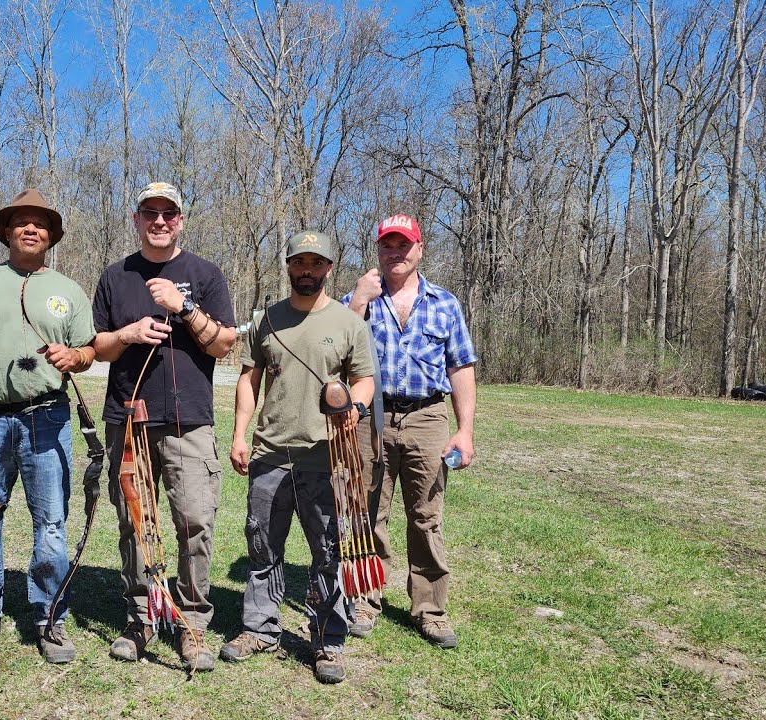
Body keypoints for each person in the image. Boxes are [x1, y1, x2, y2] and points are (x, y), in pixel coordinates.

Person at [0, 188, 96, 664]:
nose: (31, 229)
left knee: (51, 522)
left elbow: (88, 350)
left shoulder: (68, 290)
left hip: (48, 418)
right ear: (7, 231)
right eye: (22, 222)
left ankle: (50, 617)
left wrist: (76, 356)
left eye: (41, 223)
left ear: (51, 235)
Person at [91, 182, 237, 671]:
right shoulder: (116, 277)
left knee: (194, 520)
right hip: (128, 419)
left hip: (189, 421)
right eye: (149, 213)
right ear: (136, 219)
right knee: (136, 523)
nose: (159, 221)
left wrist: (184, 307)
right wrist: (129, 334)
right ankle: (142, 617)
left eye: (168, 213)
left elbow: (223, 346)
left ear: (181, 219)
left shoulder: (206, 275)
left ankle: (192, 622)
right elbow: (97, 347)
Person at [221, 231, 377, 685]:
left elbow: (364, 381)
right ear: (288, 266)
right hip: (271, 452)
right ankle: (259, 629)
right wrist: (239, 434)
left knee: (329, 551)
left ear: (330, 268)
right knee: (263, 548)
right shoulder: (267, 321)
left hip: (327, 457)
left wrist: (355, 407)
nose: (307, 270)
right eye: (299, 262)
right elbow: (249, 381)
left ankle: (327, 638)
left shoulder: (350, 323)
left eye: (317, 262)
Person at [344, 213, 477, 649]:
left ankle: (431, 609)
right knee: (367, 513)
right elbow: (338, 352)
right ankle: (365, 597)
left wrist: (465, 430)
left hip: (427, 418)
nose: (395, 253)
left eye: (404, 245)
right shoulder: (360, 297)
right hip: (371, 419)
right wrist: (358, 303)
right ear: (378, 251)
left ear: (419, 248)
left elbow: (460, 367)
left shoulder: (445, 303)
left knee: (426, 516)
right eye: (387, 245)